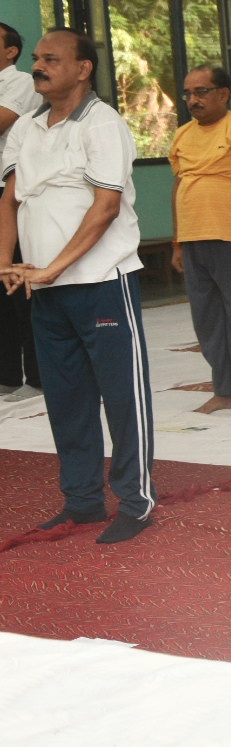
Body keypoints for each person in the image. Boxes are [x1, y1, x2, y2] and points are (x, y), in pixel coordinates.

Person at [0, 28, 156, 542]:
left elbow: (105, 207)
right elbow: (9, 200)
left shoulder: (103, 123)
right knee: (66, 398)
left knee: (122, 397)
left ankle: (136, 502)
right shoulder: (27, 127)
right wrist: (7, 261)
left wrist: (54, 266)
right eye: (38, 58)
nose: (39, 66)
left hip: (100, 282)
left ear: (83, 67)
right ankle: (83, 500)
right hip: (44, 290)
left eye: (50, 58)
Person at [170, 66, 231, 417]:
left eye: (201, 92)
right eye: (188, 93)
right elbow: (179, 187)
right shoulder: (182, 134)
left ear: (223, 94)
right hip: (194, 239)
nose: (192, 100)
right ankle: (223, 391)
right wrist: (178, 242)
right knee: (208, 321)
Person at [0, 21, 41, 402]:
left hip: (11, 189)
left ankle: (38, 375)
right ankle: (7, 374)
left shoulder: (20, 81)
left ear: (11, 50)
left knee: (18, 283)